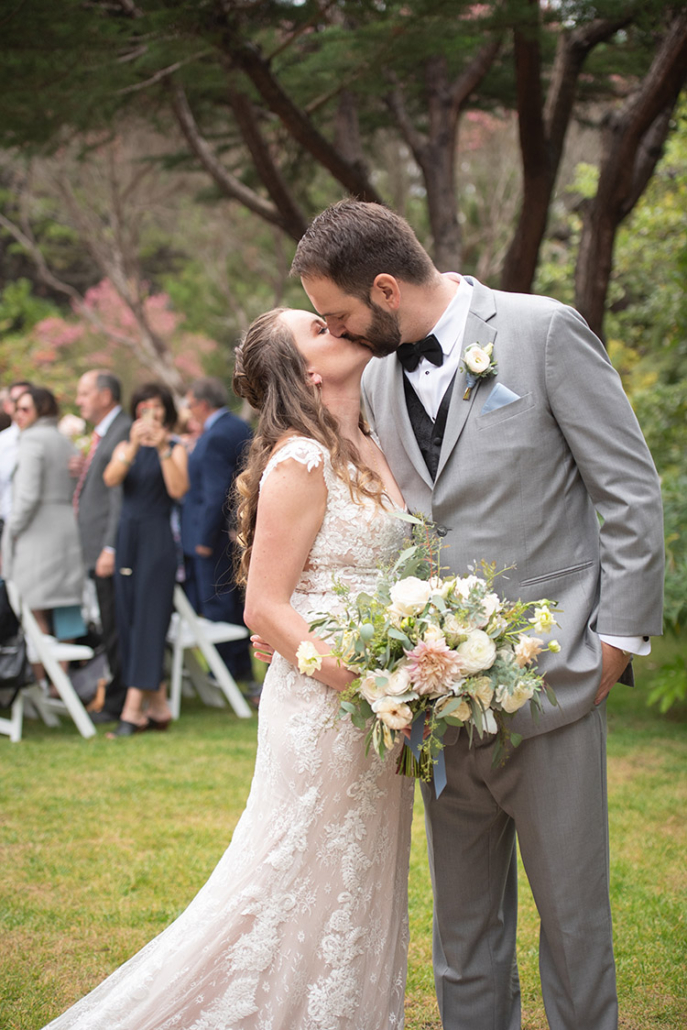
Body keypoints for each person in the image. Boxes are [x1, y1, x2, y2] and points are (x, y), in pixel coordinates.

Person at [289, 199, 665, 1030]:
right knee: (461, 934)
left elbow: (628, 488)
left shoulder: (542, 331)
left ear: (385, 289)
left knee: (572, 924)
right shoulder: (382, 376)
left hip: (555, 678)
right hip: (438, 699)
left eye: (338, 316)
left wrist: (616, 639)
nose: (338, 334)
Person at [39, 309, 414, 1030]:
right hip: (325, 706)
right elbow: (265, 611)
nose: (339, 327)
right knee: (284, 879)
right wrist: (369, 687)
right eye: (320, 330)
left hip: (378, 705)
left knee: (356, 882)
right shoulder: (300, 460)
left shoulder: (374, 443)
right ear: (306, 371)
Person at [103, 383, 188, 737]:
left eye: (155, 409)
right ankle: (159, 706)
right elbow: (111, 478)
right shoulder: (126, 446)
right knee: (129, 618)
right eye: (142, 409)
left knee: (150, 618)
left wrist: (164, 446)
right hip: (128, 535)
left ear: (165, 411)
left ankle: (132, 709)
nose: (148, 416)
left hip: (157, 538)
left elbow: (178, 490)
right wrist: (136, 444)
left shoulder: (176, 448)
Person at [1, 386, 86, 663]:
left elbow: (27, 496)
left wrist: (12, 530)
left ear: (42, 409)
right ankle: (60, 680)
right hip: (66, 527)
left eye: (25, 409)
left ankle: (46, 682)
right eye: (16, 408)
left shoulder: (32, 440)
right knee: (66, 607)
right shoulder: (64, 439)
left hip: (38, 531)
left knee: (33, 607)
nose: (18, 414)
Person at [180, 376, 254, 687]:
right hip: (236, 531)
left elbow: (215, 493)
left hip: (214, 537)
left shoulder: (212, 437)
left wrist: (202, 540)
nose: (187, 411)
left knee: (218, 602)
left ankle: (225, 668)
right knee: (234, 601)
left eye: (188, 404)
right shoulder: (238, 426)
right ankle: (239, 666)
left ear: (201, 404)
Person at [73, 370, 132, 722]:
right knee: (108, 624)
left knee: (115, 626)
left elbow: (119, 499)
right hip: (95, 548)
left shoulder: (122, 431)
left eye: (84, 393)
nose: (78, 400)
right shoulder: (104, 434)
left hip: (109, 551)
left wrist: (109, 547)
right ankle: (115, 693)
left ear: (105, 396)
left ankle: (119, 701)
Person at [0, 379, 33, 548]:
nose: (21, 408)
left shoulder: (53, 442)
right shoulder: (1, 443)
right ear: (7, 405)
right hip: (4, 527)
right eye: (16, 401)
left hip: (36, 532)